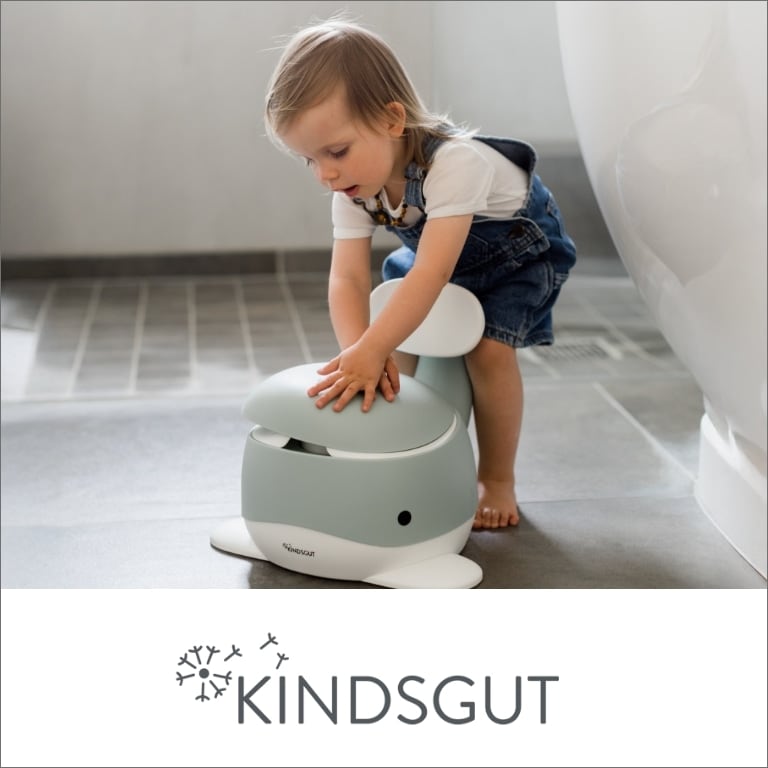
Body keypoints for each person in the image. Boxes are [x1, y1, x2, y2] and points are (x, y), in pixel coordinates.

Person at [264, 17, 576, 530]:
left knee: (489, 352)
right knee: (385, 348)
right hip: (440, 256)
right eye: (309, 161)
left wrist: (373, 347)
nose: (326, 175)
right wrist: (359, 352)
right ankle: (392, 453)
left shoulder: (456, 164)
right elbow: (347, 279)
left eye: (336, 152)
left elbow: (431, 273)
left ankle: (496, 477)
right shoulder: (353, 189)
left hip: (516, 258)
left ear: (392, 120)